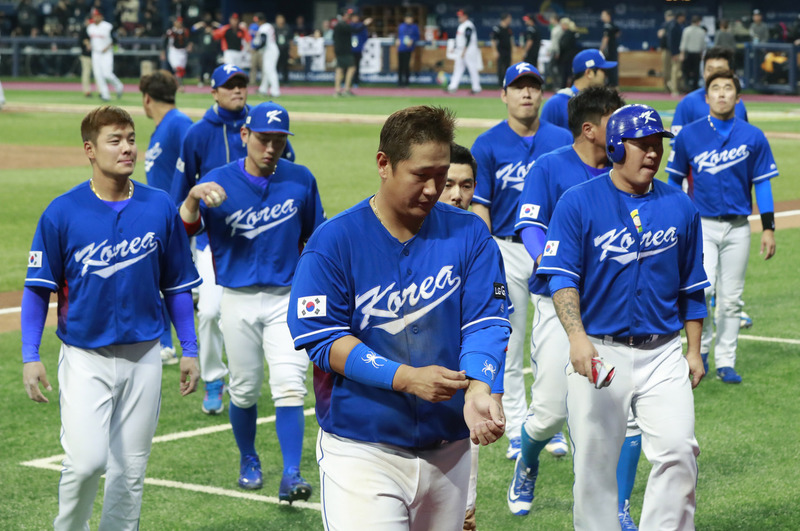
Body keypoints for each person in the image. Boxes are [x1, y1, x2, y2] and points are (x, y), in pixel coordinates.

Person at [287, 105, 510, 530]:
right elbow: (322, 339)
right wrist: (406, 377)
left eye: (441, 174)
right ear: (384, 164)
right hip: (362, 451)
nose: (433, 188)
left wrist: (481, 386)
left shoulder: (470, 233)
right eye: (420, 174)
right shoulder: (334, 241)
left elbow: (486, 320)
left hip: (450, 448)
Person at [22, 105, 201, 530]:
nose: (127, 149)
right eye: (115, 141)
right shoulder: (62, 212)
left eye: (131, 139)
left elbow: (176, 286)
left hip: (144, 357)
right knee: (85, 464)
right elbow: (37, 289)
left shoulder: (159, 207)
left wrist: (190, 348)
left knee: (130, 471)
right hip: (86, 357)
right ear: (89, 149)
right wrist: (30, 354)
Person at [538, 103, 707, 530]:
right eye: (642, 145)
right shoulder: (578, 203)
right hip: (601, 351)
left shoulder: (680, 205)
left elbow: (692, 286)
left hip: (664, 351)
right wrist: (577, 338)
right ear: (615, 147)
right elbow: (560, 278)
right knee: (594, 469)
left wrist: (694, 350)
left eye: (657, 146)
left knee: (678, 450)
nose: (653, 153)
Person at [508, 87, 644, 531]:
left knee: (628, 418)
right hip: (556, 304)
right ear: (590, 128)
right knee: (549, 412)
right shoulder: (550, 167)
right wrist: (556, 262)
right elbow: (529, 224)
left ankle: (618, 507)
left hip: (615, 309)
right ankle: (527, 461)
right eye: (614, 119)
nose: (625, 128)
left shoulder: (626, 169)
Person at [178, 101, 323, 501]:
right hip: (238, 299)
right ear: (245, 136)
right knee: (242, 390)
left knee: (290, 386)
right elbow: (183, 228)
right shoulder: (217, 181)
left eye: (279, 140)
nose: (271, 147)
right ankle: (248, 458)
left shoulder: (300, 180)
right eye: (263, 138)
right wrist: (192, 198)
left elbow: (317, 238)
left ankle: (291, 475)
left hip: (287, 298)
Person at [471, 63, 572, 461]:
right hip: (507, 249)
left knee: (559, 338)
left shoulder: (562, 139)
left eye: (532, 87)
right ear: (504, 95)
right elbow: (481, 204)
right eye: (518, 87)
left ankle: (552, 422)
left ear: (542, 95)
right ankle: (515, 424)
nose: (526, 94)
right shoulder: (488, 143)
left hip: (557, 249)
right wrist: (488, 252)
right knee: (509, 340)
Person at [665, 70, 778, 384]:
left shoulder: (753, 136)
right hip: (701, 226)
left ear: (738, 97)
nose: (722, 94)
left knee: (731, 299)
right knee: (704, 289)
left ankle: (726, 361)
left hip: (739, 227)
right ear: (707, 97)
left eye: (728, 88)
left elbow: (763, 185)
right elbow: (673, 181)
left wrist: (767, 227)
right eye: (716, 88)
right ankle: (698, 350)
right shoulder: (689, 135)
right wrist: (672, 219)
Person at [170, 64, 249, 415]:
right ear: (214, 92)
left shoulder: (260, 128)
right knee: (211, 312)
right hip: (212, 242)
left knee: (254, 315)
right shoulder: (198, 134)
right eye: (229, 86)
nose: (237, 90)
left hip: (260, 240)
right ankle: (215, 377)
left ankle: (247, 377)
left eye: (241, 84)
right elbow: (181, 193)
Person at [140, 70, 194, 365]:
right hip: (160, 219)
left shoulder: (179, 123)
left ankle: (172, 345)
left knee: (170, 283)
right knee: (156, 281)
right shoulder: (161, 127)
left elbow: (196, 163)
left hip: (176, 219)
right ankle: (164, 343)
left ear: (147, 99)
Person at [671, 46, 748, 137]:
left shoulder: (738, 104)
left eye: (720, 70)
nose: (714, 74)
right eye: (709, 70)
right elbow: (678, 143)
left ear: (730, 73)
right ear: (703, 73)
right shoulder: (688, 103)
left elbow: (745, 139)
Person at [540, 48, 617, 131]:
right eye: (603, 71)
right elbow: (544, 138)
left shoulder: (604, 103)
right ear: (589, 73)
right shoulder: (556, 104)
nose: (606, 76)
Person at [86, 8, 124, 102]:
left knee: (107, 74)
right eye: (93, 16)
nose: (95, 18)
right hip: (96, 53)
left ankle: (119, 86)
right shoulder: (90, 27)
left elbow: (115, 40)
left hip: (106, 53)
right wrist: (89, 44)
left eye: (97, 16)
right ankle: (105, 95)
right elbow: (88, 39)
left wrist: (107, 47)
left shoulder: (108, 26)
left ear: (101, 16)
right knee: (98, 75)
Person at [332, 11, 372, 96]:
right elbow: (355, 30)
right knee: (351, 68)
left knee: (340, 69)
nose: (348, 17)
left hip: (340, 50)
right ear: (342, 16)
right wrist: (364, 24)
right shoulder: (342, 25)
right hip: (344, 51)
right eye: (346, 15)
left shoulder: (338, 25)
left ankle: (338, 90)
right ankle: (345, 89)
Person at [447, 9, 482, 94]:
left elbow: (468, 39)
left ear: (465, 16)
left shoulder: (468, 25)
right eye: (459, 15)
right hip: (461, 49)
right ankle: (452, 86)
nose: (459, 17)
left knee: (472, 68)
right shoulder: (461, 26)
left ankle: (476, 87)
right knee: (458, 68)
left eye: (461, 16)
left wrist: (464, 51)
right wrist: (455, 48)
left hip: (469, 49)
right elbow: (459, 39)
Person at [254, 15, 280, 97]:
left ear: (262, 20)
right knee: (266, 71)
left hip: (270, 51)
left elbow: (263, 41)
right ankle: (263, 89)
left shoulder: (264, 27)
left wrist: (256, 48)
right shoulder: (268, 26)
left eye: (258, 20)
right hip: (270, 50)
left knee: (270, 71)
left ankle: (275, 91)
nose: (257, 22)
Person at [163, 16, 192, 89]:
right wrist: (163, 52)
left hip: (183, 51)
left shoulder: (185, 31)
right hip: (174, 51)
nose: (179, 23)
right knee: (177, 68)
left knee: (181, 70)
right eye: (178, 22)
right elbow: (165, 42)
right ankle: (180, 85)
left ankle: (173, 83)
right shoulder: (171, 31)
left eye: (180, 22)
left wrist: (190, 45)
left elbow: (189, 40)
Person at [680, 16, 707, 92]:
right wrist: (702, 54)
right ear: (698, 22)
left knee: (686, 71)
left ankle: (687, 87)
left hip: (688, 54)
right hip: (696, 54)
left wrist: (682, 54)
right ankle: (695, 88)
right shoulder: (701, 31)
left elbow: (683, 43)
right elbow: (703, 45)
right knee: (696, 72)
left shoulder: (686, 30)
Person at [396, 13, 420, 87]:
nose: (409, 20)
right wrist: (397, 40)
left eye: (410, 18)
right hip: (401, 48)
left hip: (408, 48)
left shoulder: (414, 27)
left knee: (406, 66)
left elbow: (417, 36)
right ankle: (400, 82)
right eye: (407, 18)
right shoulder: (401, 26)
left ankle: (406, 82)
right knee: (400, 65)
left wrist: (412, 40)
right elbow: (398, 35)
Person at [491, 13, 514, 86]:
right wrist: (495, 51)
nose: (510, 20)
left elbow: (511, 40)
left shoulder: (508, 29)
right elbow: (493, 40)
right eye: (509, 19)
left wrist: (513, 48)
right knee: (500, 67)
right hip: (500, 51)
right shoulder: (497, 28)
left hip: (508, 51)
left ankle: (507, 83)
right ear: (505, 19)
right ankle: (500, 84)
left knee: (508, 67)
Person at [666, 11, 686, 95]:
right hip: (676, 52)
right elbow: (671, 41)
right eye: (683, 16)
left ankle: (673, 85)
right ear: (679, 17)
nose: (684, 18)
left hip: (680, 51)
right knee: (675, 71)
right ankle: (674, 89)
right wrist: (673, 53)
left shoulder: (680, 25)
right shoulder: (673, 26)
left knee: (678, 72)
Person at [600, 9, 620, 87]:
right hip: (613, 49)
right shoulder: (613, 25)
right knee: (613, 67)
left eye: (603, 15)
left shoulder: (607, 26)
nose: (601, 17)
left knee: (609, 68)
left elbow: (605, 38)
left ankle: (611, 85)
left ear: (608, 16)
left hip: (609, 51)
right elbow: (617, 32)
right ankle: (614, 85)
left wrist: (601, 50)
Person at [558, 18, 580, 89]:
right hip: (569, 57)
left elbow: (564, 45)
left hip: (567, 57)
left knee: (566, 74)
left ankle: (565, 88)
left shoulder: (568, 34)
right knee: (569, 74)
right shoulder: (572, 33)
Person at [350, 12, 369, 87]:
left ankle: (356, 82)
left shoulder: (362, 26)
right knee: (348, 66)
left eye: (356, 17)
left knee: (357, 66)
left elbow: (365, 37)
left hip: (358, 49)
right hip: (349, 50)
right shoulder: (349, 26)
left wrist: (360, 45)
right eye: (353, 17)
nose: (355, 19)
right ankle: (346, 81)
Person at [658, 10, 675, 92]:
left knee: (668, 70)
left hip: (669, 51)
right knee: (669, 70)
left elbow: (661, 35)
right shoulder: (667, 25)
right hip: (672, 50)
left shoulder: (669, 25)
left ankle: (669, 87)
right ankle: (669, 87)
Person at [275, 14, 293, 84]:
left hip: (285, 49)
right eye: (279, 19)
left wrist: (291, 50)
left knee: (285, 66)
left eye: (281, 19)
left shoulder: (287, 28)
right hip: (276, 50)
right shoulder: (274, 28)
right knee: (276, 66)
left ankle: (285, 80)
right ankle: (275, 81)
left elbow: (291, 40)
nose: (280, 20)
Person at [79, 18, 93, 97]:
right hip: (85, 55)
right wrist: (86, 43)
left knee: (99, 75)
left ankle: (101, 92)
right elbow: (80, 41)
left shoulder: (96, 29)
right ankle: (87, 91)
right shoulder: (84, 30)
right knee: (86, 73)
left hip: (96, 56)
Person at [248, 13, 263, 85]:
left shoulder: (264, 26)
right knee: (253, 67)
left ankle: (263, 83)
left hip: (262, 50)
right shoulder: (253, 26)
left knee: (263, 67)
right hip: (254, 49)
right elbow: (249, 34)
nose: (257, 21)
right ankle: (252, 82)